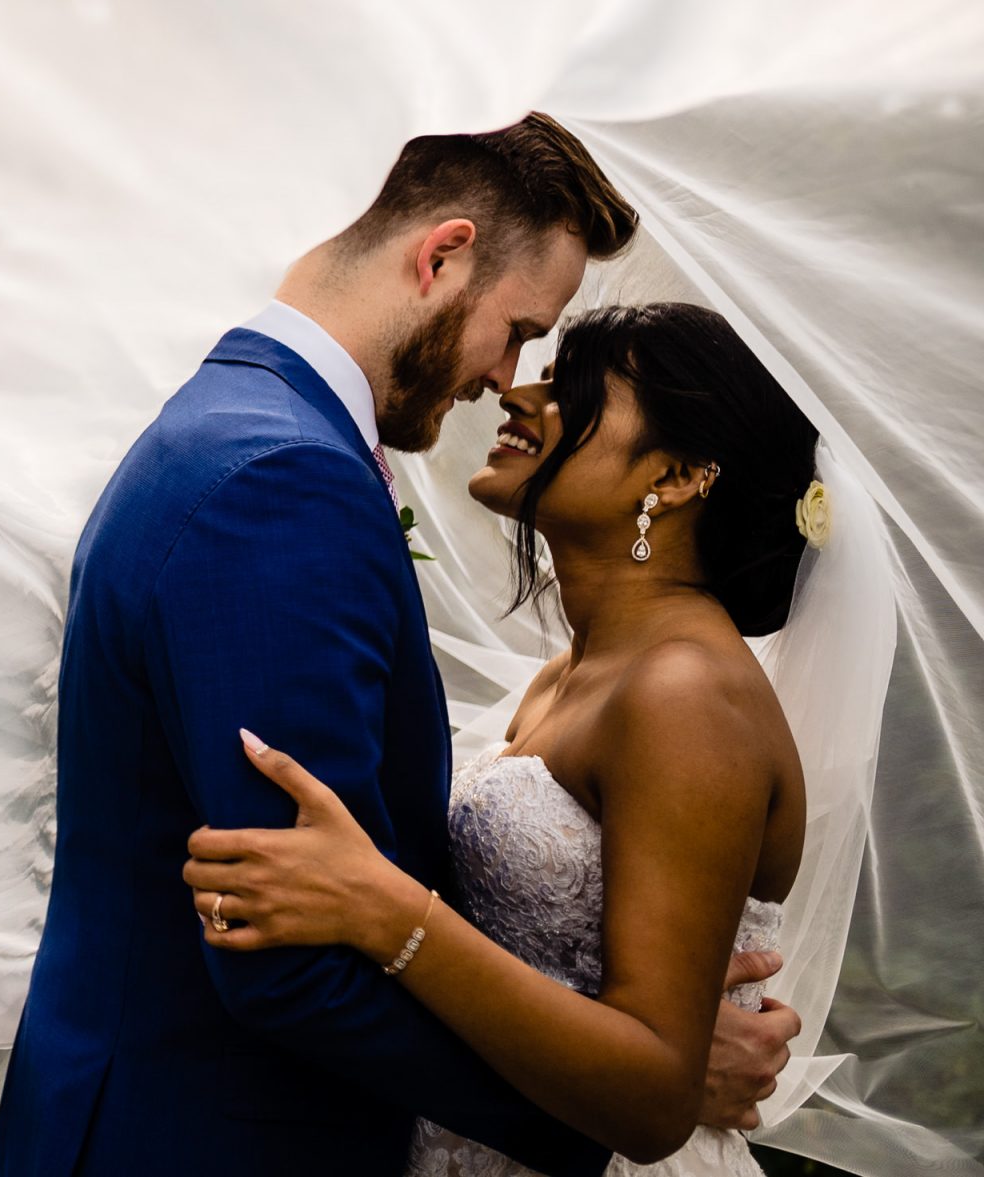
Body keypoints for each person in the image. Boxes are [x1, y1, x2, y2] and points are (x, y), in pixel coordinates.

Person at [0, 115, 798, 1177]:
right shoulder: (280, 481)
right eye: (518, 330)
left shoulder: (238, 427)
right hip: (209, 1133)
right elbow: (291, 943)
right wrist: (628, 1093)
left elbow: (369, 880)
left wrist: (640, 1057)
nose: (508, 378)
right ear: (440, 256)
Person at [183, 302, 821, 1176]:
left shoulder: (688, 695)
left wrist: (382, 908)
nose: (517, 393)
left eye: (571, 386)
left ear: (673, 477)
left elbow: (649, 1098)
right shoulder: (573, 672)